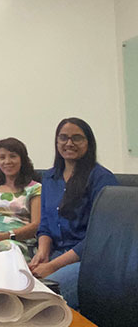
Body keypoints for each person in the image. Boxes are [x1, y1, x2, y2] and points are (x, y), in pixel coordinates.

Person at [29, 117, 118, 309]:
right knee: (15, 289)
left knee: (42, 299)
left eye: (77, 138)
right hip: (54, 255)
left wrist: (53, 266)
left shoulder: (102, 179)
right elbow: (45, 224)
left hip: (88, 261)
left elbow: (99, 238)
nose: (69, 143)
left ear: (89, 143)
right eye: (63, 138)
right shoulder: (50, 178)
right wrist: (43, 253)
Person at [0, 138, 41, 262]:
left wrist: (5, 236)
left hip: (16, 244)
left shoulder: (35, 189)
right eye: (2, 157)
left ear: (22, 160)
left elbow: (36, 225)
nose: (7, 161)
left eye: (13, 156)